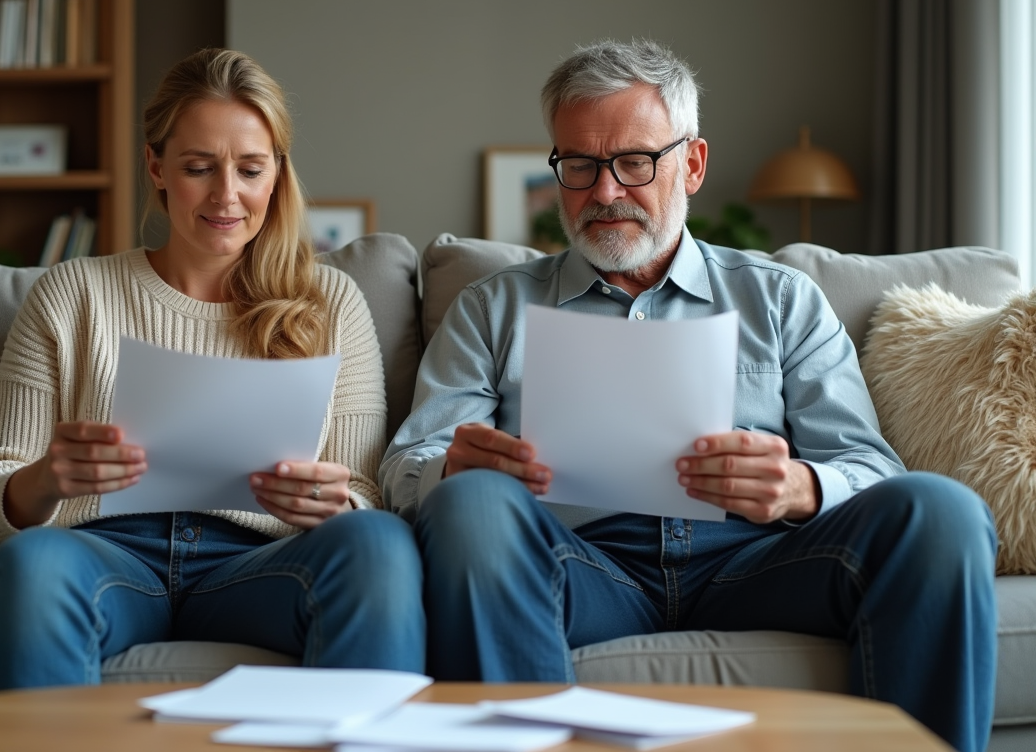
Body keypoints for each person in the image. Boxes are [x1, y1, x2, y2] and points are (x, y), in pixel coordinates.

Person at [379, 39, 996, 752]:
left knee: (943, 511)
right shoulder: (493, 309)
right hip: (582, 565)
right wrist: (457, 469)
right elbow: (405, 465)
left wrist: (800, 487)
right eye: (579, 165)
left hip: (759, 562)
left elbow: (870, 467)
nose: (604, 192)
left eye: (634, 161)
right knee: (472, 502)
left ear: (692, 164)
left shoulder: (781, 301)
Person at [0, 47, 425, 689]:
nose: (227, 195)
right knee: (31, 566)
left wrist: (332, 504)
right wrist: (46, 478)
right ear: (157, 167)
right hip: (107, 553)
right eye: (199, 167)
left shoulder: (330, 305)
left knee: (379, 545)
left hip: (262, 564)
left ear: (277, 176)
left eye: (251, 170)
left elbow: (366, 496)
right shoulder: (72, 295)